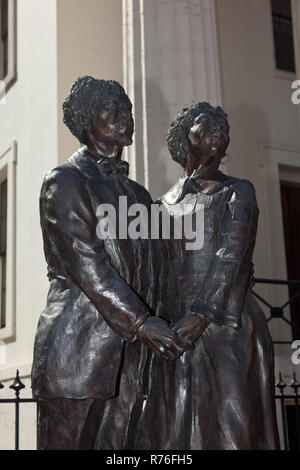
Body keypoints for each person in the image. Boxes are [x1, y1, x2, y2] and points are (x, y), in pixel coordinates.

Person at [31, 76, 189, 450]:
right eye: (112, 107)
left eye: (128, 108)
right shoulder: (66, 181)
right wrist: (141, 322)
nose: (125, 115)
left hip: (132, 358)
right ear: (86, 119)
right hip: (78, 351)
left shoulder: (137, 194)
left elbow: (164, 262)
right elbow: (87, 264)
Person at [134, 102, 280, 450]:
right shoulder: (159, 205)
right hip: (175, 335)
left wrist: (201, 316)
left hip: (226, 329)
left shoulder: (237, 191)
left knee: (233, 432)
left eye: (224, 126)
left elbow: (233, 256)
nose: (219, 129)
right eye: (208, 122)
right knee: (174, 436)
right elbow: (154, 272)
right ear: (184, 135)